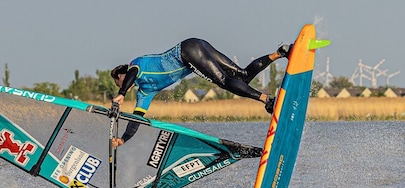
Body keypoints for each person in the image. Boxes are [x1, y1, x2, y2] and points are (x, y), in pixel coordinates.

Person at [110, 38, 291, 147]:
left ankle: (267, 100)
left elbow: (131, 74)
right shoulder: (145, 92)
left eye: (118, 80)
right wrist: (123, 140)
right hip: (195, 46)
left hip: (187, 52)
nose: (122, 84)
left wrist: (122, 93)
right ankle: (280, 53)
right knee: (241, 76)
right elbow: (137, 119)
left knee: (224, 82)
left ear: (121, 75)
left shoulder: (137, 65)